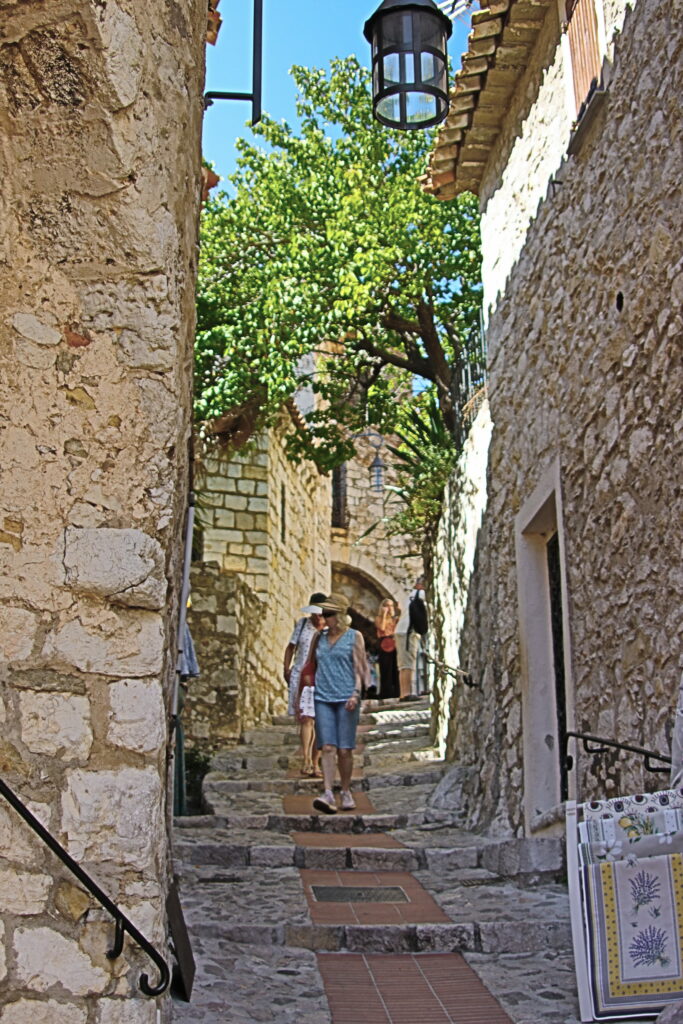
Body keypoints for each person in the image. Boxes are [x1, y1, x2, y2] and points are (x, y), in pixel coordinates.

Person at [305, 592, 366, 815]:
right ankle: (328, 791)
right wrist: (309, 682)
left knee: (344, 750)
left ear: (340, 616)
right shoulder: (318, 638)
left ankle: (346, 790)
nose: (324, 617)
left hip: (346, 698)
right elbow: (310, 664)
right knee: (327, 747)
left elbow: (359, 668)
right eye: (323, 613)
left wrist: (355, 693)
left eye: (329, 614)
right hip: (323, 697)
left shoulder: (355, 637)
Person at [283, 592, 326, 776]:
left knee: (320, 721)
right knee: (306, 718)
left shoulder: (329, 628)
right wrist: (286, 668)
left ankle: (316, 763)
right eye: (313, 612)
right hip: (301, 675)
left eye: (319, 612)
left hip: (322, 677)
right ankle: (307, 759)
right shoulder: (302, 625)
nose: (316, 616)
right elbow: (291, 647)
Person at [395, 576, 427, 702]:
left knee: (404, 663)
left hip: (403, 631)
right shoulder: (420, 595)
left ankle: (405, 692)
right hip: (407, 632)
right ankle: (406, 693)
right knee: (407, 663)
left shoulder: (407, 597)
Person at [374, 597, 400, 700]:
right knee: (386, 668)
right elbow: (382, 628)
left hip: (394, 642)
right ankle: (386, 692)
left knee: (395, 667)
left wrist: (394, 614)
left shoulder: (395, 619)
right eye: (387, 606)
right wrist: (384, 615)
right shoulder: (378, 618)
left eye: (391, 605)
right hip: (384, 642)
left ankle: (397, 691)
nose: (389, 608)